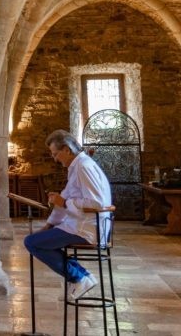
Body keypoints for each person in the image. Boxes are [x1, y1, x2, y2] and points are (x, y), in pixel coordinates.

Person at [23, 129, 112, 302]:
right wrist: (50, 224)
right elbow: (66, 197)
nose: (55, 159)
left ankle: (79, 278)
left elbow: (97, 203)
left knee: (32, 243)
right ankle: (83, 276)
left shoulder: (84, 167)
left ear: (66, 149)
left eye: (56, 154)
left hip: (87, 228)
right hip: (79, 224)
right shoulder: (77, 166)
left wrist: (64, 203)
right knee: (39, 240)